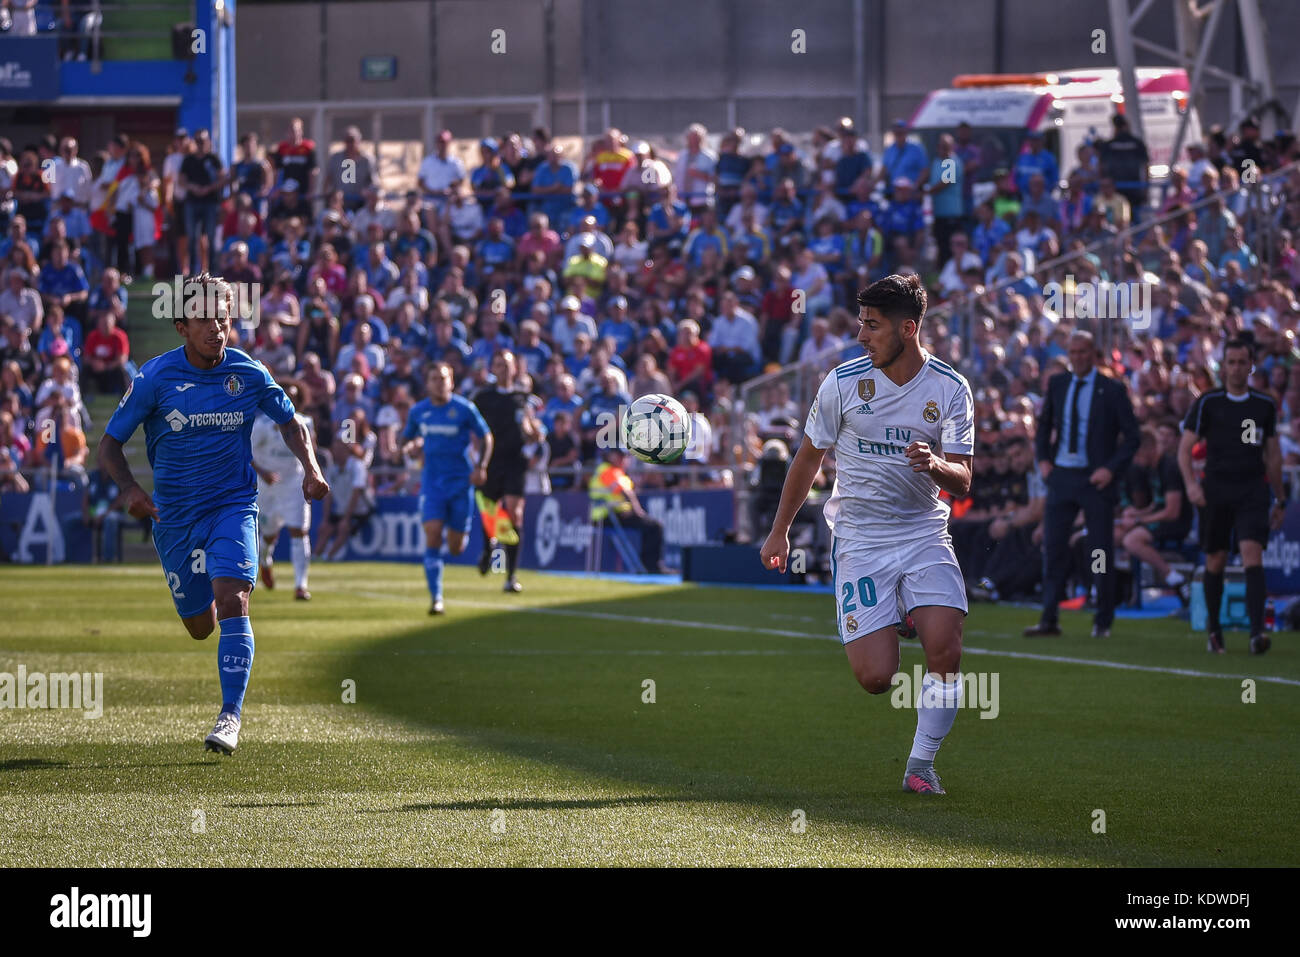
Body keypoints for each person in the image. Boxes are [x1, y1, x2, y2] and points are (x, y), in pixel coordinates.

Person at [96, 273, 329, 755]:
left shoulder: (248, 373)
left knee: (233, 600)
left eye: (223, 317)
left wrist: (311, 468)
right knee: (200, 626)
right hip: (176, 516)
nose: (216, 328)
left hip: (234, 505)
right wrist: (130, 488)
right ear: (182, 325)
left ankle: (229, 717)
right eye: (204, 318)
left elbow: (291, 423)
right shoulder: (155, 378)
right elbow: (109, 445)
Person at [759, 274, 975, 796]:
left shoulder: (950, 388)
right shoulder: (842, 383)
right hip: (860, 539)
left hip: (923, 530)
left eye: (872, 325)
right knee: (877, 678)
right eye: (860, 322)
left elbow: (965, 479)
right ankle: (901, 612)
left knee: (945, 650)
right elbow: (808, 457)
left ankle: (920, 766)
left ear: (909, 327)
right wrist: (779, 532)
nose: (861, 335)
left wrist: (937, 464)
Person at [1025, 330, 1140, 639]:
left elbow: (1132, 437)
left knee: (1099, 549)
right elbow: (1044, 425)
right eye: (1072, 352)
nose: (1077, 357)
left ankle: (1103, 619)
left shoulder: (1112, 390)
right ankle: (1049, 618)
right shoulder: (1059, 384)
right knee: (1054, 546)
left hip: (1095, 479)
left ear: (1093, 354)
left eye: (1083, 352)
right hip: (1062, 475)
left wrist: (1110, 470)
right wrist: (1045, 460)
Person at [1178, 334, 1285, 655]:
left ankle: (1256, 633)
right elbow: (1184, 450)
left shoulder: (1264, 405)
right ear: (1223, 367)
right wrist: (1192, 485)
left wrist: (1279, 497)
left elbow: (1273, 455)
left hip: (1252, 488)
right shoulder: (1208, 403)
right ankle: (1214, 629)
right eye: (1231, 363)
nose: (1237, 369)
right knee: (1216, 558)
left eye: (1242, 363)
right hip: (1216, 490)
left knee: (1253, 554)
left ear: (1251, 366)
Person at [401, 362, 493, 615]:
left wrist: (481, 466)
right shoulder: (419, 411)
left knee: (455, 547)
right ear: (427, 383)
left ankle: (478, 546)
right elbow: (406, 438)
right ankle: (437, 598)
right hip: (432, 484)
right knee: (432, 533)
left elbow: (486, 436)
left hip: (461, 484)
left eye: (444, 379)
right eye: (434, 379)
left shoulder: (464, 409)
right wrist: (410, 446)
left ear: (451, 381)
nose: (439, 383)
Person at [473, 350, 541, 592]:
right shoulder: (483, 397)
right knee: (490, 513)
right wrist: (476, 459)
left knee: (514, 514)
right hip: (491, 461)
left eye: (507, 365)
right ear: (493, 368)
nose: (503, 369)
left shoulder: (522, 398)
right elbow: (473, 431)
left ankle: (510, 576)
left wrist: (533, 431)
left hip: (514, 462)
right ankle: (488, 547)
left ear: (515, 369)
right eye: (498, 365)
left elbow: (534, 432)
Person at [252, 382, 317, 601]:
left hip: (294, 485)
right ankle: (265, 560)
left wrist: (312, 474)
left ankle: (301, 585)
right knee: (269, 534)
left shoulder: (305, 423)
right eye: (285, 396)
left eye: (293, 397)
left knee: (299, 532)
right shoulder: (261, 424)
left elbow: (311, 450)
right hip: (268, 487)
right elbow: (246, 454)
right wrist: (263, 473)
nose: (288, 400)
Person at [589, 447, 667, 573]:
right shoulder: (608, 470)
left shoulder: (615, 471)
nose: (622, 459)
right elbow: (626, 493)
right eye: (619, 456)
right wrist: (638, 512)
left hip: (611, 514)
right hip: (609, 515)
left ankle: (648, 566)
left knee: (651, 527)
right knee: (655, 527)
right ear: (610, 456)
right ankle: (651, 567)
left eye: (625, 457)